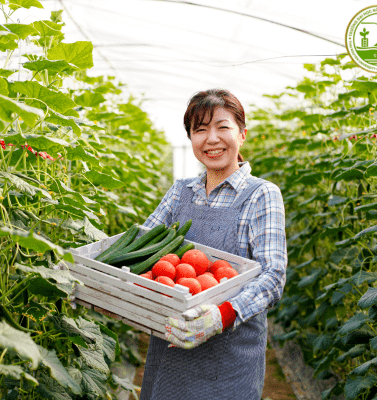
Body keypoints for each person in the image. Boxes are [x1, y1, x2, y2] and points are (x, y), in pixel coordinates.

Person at [139, 89, 287, 400]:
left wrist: (223, 314)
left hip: (228, 357)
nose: (211, 139)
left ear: (242, 135)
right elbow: (143, 240)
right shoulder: (181, 192)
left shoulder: (262, 194)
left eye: (222, 127)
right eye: (200, 129)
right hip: (172, 344)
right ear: (191, 138)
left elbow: (273, 277)